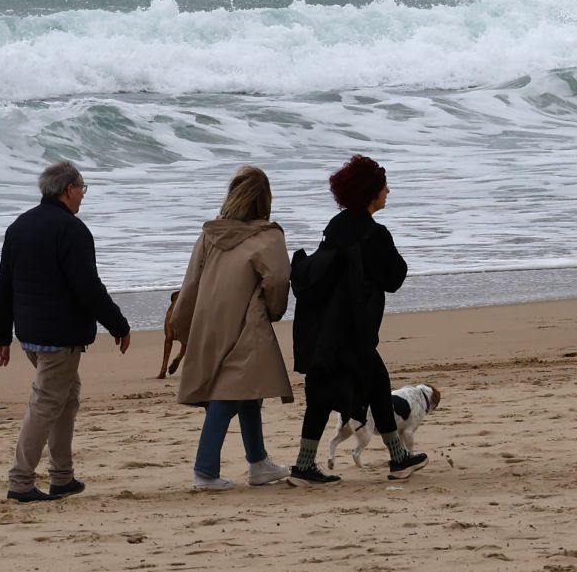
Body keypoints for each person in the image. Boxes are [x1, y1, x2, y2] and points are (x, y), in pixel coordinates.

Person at [0, 160, 131, 502]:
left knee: (65, 398)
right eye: (82, 188)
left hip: (30, 335)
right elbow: (88, 287)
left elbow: (3, 285)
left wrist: (1, 335)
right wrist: (118, 324)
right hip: (59, 337)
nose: (83, 195)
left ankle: (62, 477)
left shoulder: (20, 226)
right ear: (68, 190)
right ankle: (20, 481)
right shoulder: (72, 230)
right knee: (46, 403)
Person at [288, 153, 426, 483]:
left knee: (344, 387)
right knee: (368, 383)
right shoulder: (374, 235)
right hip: (351, 329)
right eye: (384, 187)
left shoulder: (335, 227)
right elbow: (395, 278)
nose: (388, 192)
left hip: (322, 327)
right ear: (370, 193)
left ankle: (392, 458)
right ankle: (395, 459)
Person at [168, 166, 295, 491]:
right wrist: (274, 310)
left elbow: (191, 283)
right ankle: (205, 470)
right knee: (228, 395)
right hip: (247, 322)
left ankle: (258, 463)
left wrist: (183, 324)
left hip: (209, 321)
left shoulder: (211, 234)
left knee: (247, 390)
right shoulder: (268, 236)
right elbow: (278, 281)